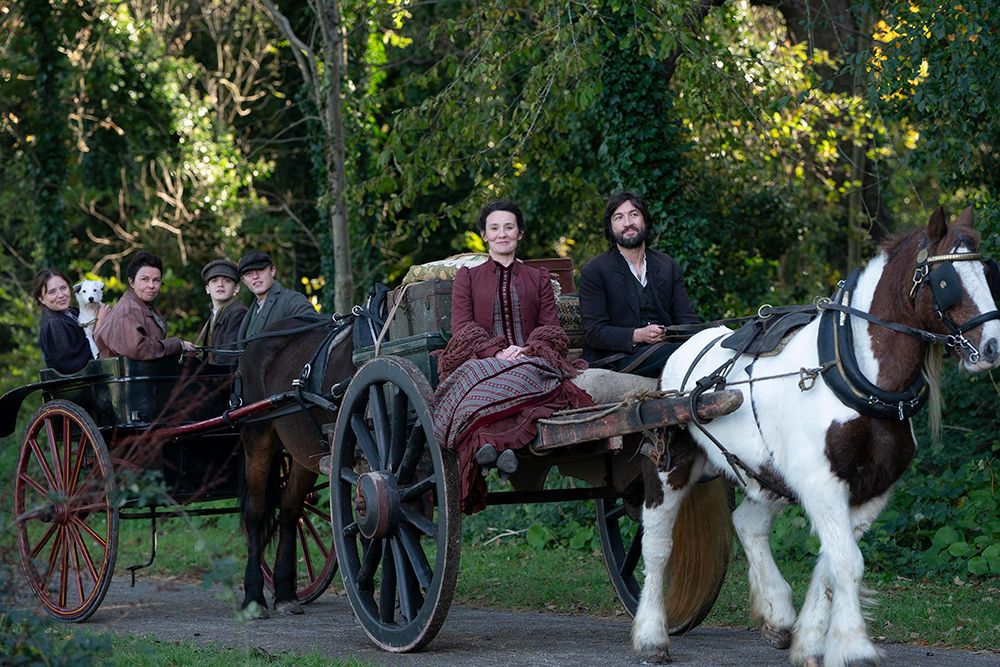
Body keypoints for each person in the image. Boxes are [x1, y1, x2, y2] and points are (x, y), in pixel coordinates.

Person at [433, 199, 591, 514]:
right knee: (476, 377)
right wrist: (496, 351)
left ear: (519, 233)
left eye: (509, 227)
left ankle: (497, 446)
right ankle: (493, 447)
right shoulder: (468, 277)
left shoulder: (539, 277)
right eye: (495, 228)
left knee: (532, 373)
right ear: (485, 235)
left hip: (531, 359)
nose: (502, 234)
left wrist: (528, 349)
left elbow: (551, 328)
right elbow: (462, 328)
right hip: (482, 359)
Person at [579, 191, 701, 378]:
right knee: (680, 355)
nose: (628, 223)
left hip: (664, 349)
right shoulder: (595, 271)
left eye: (634, 214)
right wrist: (639, 335)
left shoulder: (667, 265)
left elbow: (688, 320)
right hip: (617, 358)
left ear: (645, 220)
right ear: (610, 228)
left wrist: (708, 338)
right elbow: (595, 332)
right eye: (619, 217)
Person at [94, 252, 198, 360]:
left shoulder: (145, 305)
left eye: (156, 280)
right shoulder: (129, 309)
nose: (151, 286)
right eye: (144, 279)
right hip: (124, 375)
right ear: (131, 282)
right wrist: (178, 345)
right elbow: (139, 350)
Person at [236, 250, 315, 340]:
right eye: (248, 273)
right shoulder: (250, 312)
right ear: (244, 281)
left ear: (272, 271)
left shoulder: (292, 299)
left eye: (260, 269)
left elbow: (312, 327)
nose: (255, 276)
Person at [33, 268, 94, 374]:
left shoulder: (73, 312)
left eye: (63, 288)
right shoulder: (53, 324)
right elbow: (74, 365)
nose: (61, 295)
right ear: (41, 299)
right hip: (79, 387)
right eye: (52, 292)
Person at [194, 259, 247, 365]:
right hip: (215, 376)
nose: (220, 284)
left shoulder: (238, 313)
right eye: (214, 280)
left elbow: (228, 357)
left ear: (236, 288)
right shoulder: (215, 313)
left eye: (227, 280)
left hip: (227, 378)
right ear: (207, 289)